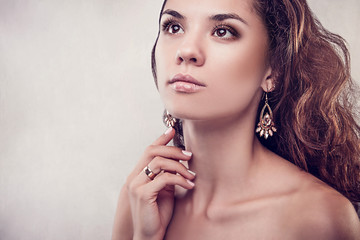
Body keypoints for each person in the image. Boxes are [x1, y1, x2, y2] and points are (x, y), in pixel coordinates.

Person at [112, 0, 360, 239]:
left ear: (273, 69)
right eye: (173, 27)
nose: (186, 50)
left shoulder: (318, 217)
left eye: (223, 31)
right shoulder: (141, 198)